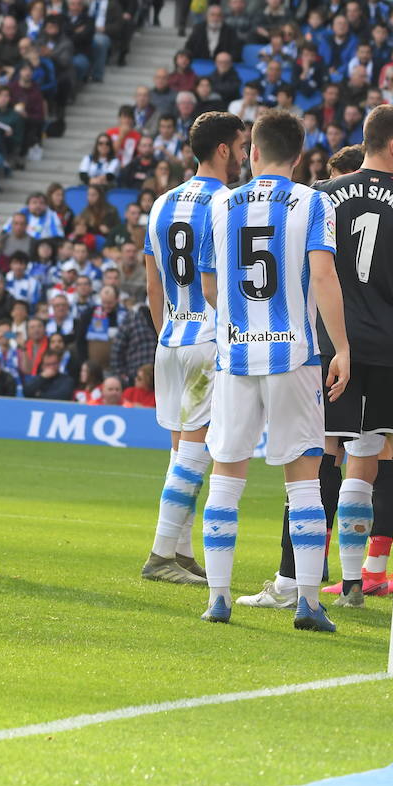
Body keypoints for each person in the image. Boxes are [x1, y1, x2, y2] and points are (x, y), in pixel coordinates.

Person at [195, 109, 350, 632]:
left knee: (226, 473)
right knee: (303, 478)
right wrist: (341, 348)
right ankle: (307, 601)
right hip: (295, 356)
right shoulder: (313, 201)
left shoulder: (220, 204)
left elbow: (211, 285)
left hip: (236, 356)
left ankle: (218, 596)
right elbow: (324, 276)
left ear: (251, 153)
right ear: (300, 157)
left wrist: (239, 322)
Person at [301, 104, 393, 609]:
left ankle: (304, 575)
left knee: (323, 454)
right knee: (383, 452)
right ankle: (368, 578)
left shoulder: (323, 197)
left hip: (334, 346)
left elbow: (312, 273)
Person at [140, 110, 246, 586]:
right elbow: (220, 281)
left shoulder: (161, 203)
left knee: (180, 450)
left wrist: (169, 331)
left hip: (171, 339)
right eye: (241, 147)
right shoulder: (228, 202)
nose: (244, 156)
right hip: (208, 338)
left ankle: (179, 552)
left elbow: (151, 285)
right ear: (223, 150)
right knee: (198, 453)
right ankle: (161, 554)